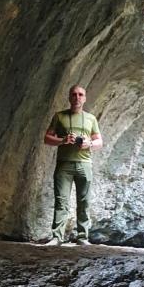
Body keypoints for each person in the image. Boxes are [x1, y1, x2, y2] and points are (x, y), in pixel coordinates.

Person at [44, 84, 103, 246]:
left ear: (85, 98)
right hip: (64, 164)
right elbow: (47, 139)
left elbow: (99, 142)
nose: (77, 98)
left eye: (80, 95)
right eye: (74, 94)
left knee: (84, 201)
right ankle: (57, 237)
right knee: (61, 200)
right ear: (69, 97)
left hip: (84, 164)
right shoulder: (59, 116)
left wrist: (88, 143)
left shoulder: (91, 118)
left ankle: (83, 237)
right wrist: (63, 140)